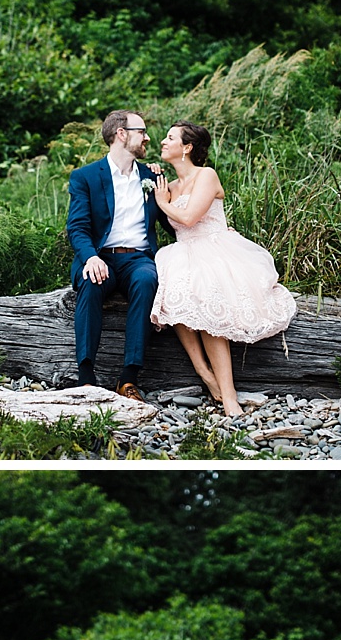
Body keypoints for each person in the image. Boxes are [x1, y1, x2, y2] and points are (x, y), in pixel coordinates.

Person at [149, 122, 296, 418]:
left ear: (187, 147)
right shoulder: (171, 186)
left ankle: (229, 396)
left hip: (215, 249)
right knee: (173, 290)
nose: (163, 142)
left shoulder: (206, 175)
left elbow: (189, 217)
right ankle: (204, 372)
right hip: (184, 251)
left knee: (209, 299)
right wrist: (152, 178)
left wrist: (162, 204)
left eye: (170, 138)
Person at [66, 110, 174, 400]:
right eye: (142, 131)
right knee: (91, 282)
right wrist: (89, 257)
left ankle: (129, 378)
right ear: (121, 134)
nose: (148, 137)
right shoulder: (85, 177)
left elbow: (172, 221)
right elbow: (76, 226)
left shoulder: (152, 176)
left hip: (138, 258)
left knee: (146, 280)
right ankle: (86, 376)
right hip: (100, 256)